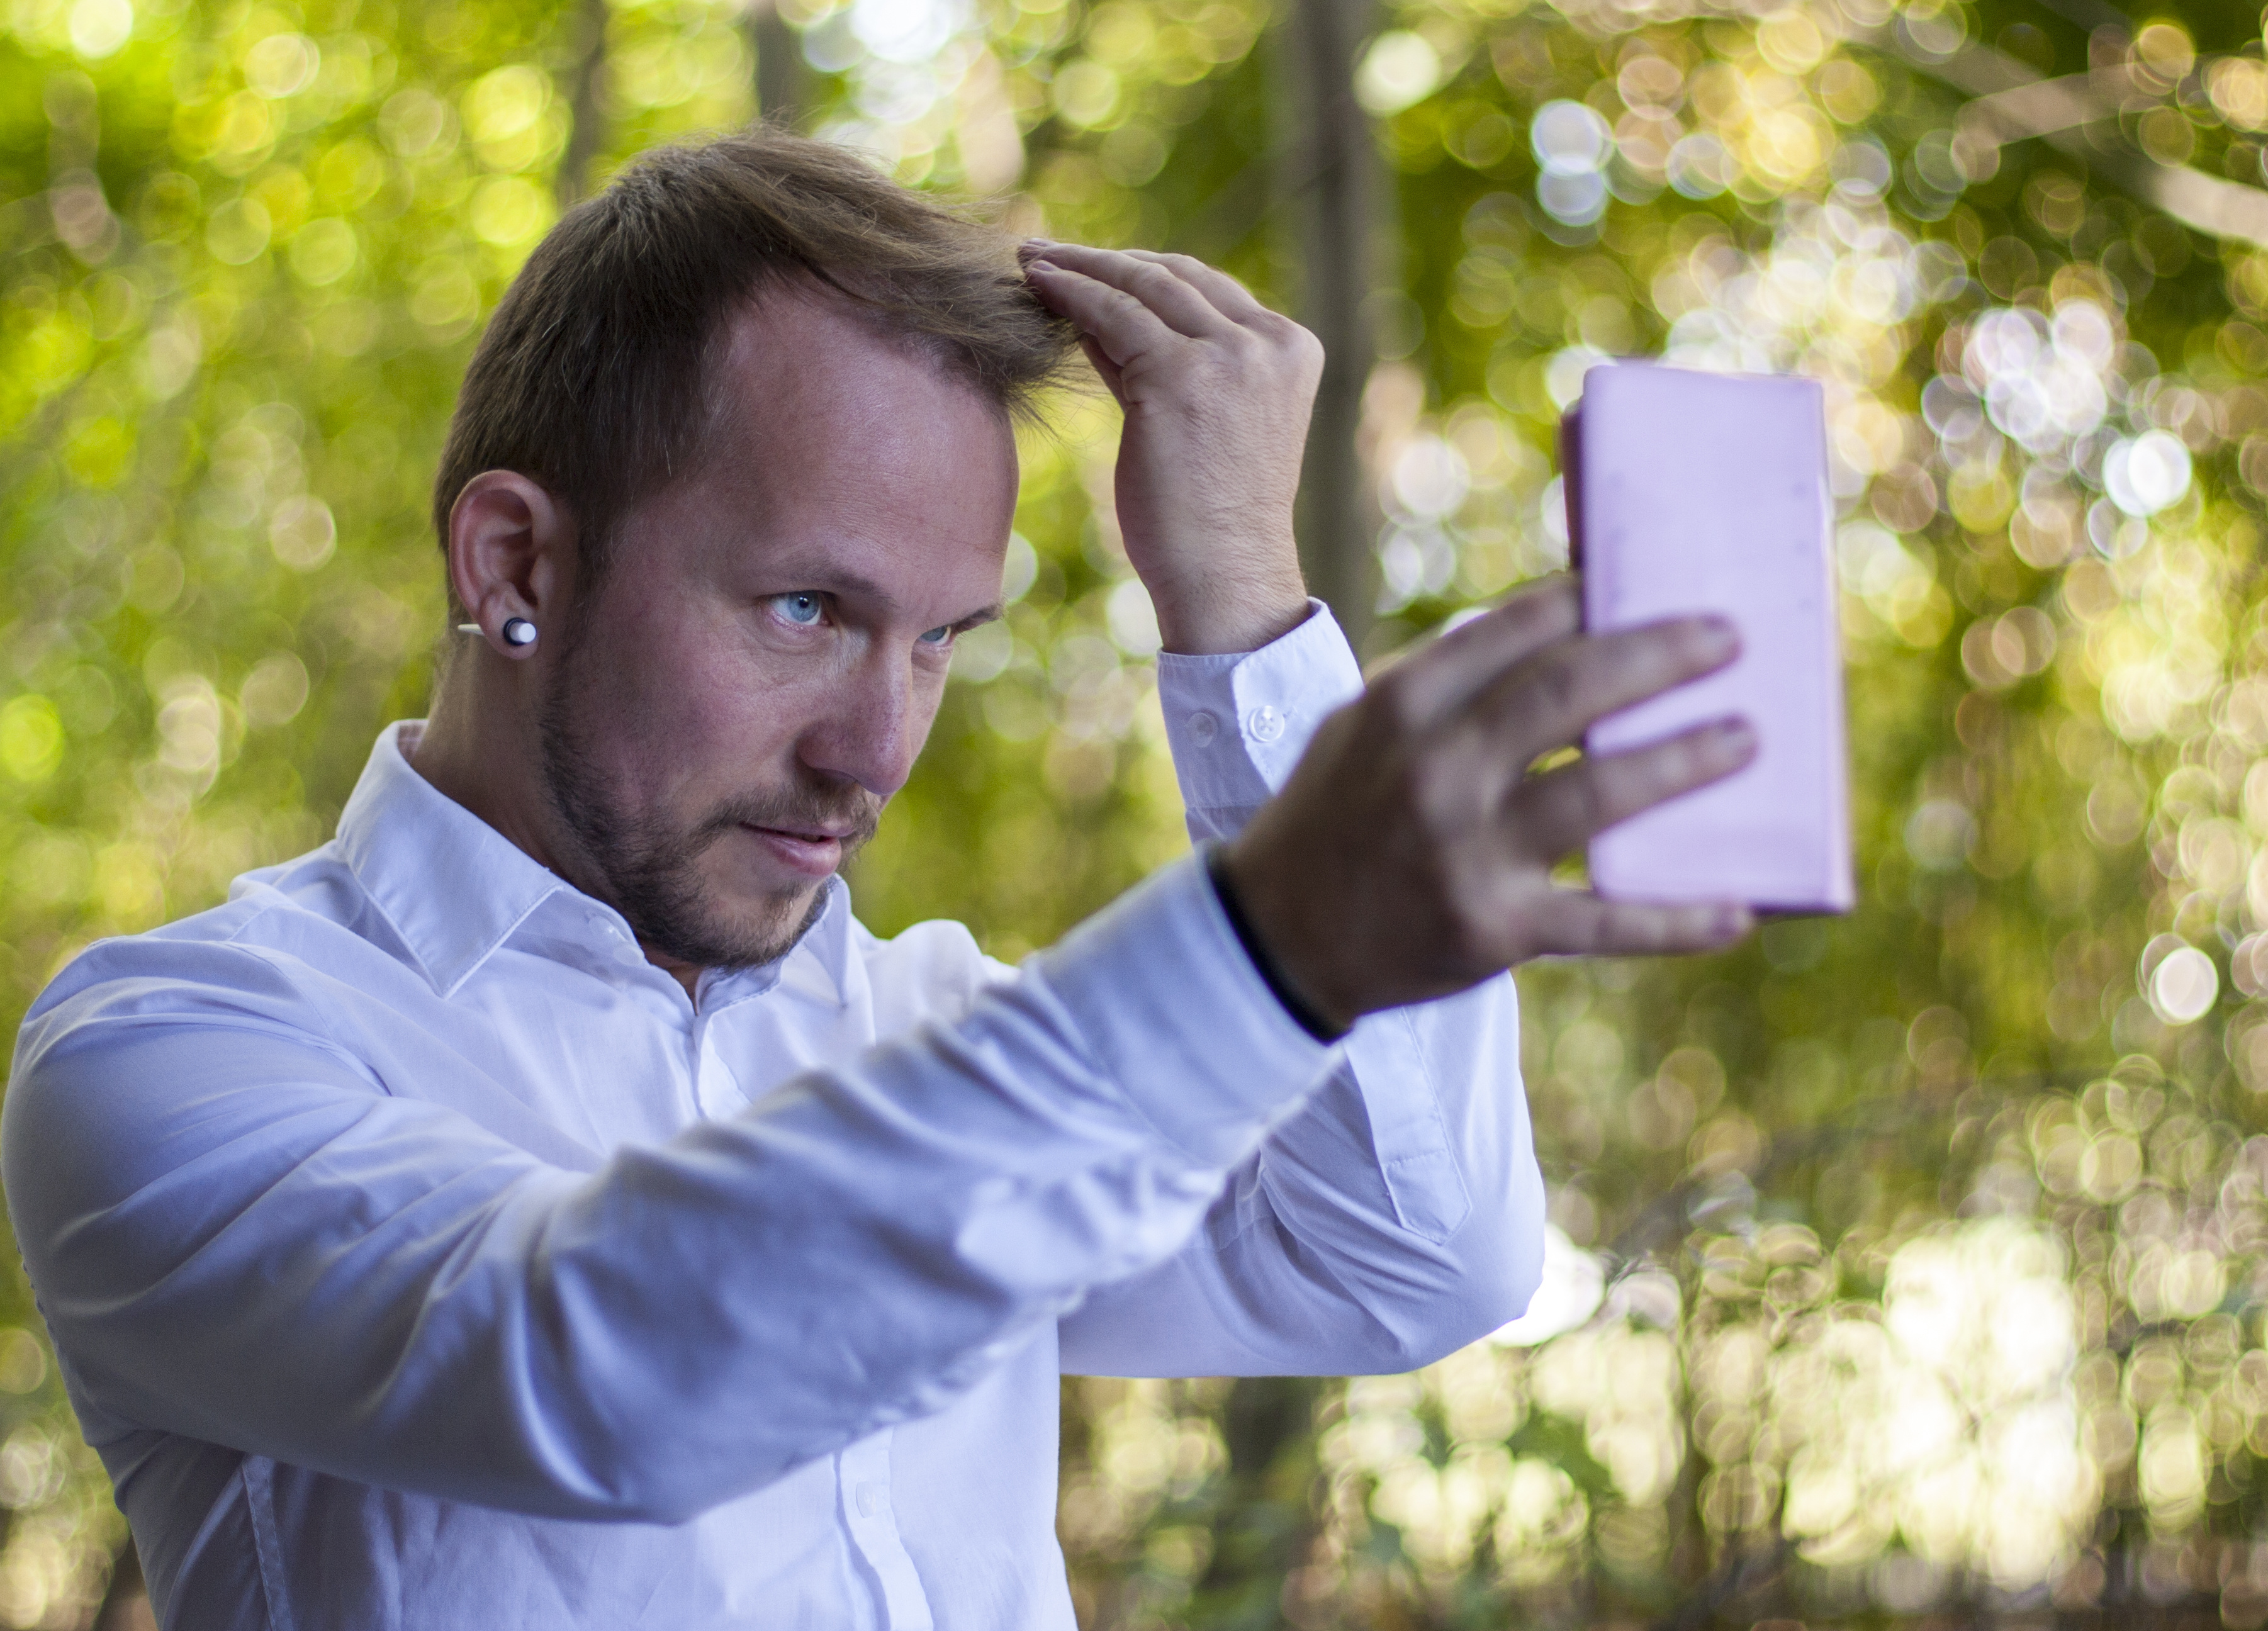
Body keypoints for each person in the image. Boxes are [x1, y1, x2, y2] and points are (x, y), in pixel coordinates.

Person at [4, 132, 1756, 1630]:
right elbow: (598, 1368)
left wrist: (1238, 604)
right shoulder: (176, 1053)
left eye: (942, 643)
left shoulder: (941, 1034)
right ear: (517, 561)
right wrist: (1265, 945)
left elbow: (1410, 1260)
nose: (875, 751)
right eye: (808, 611)